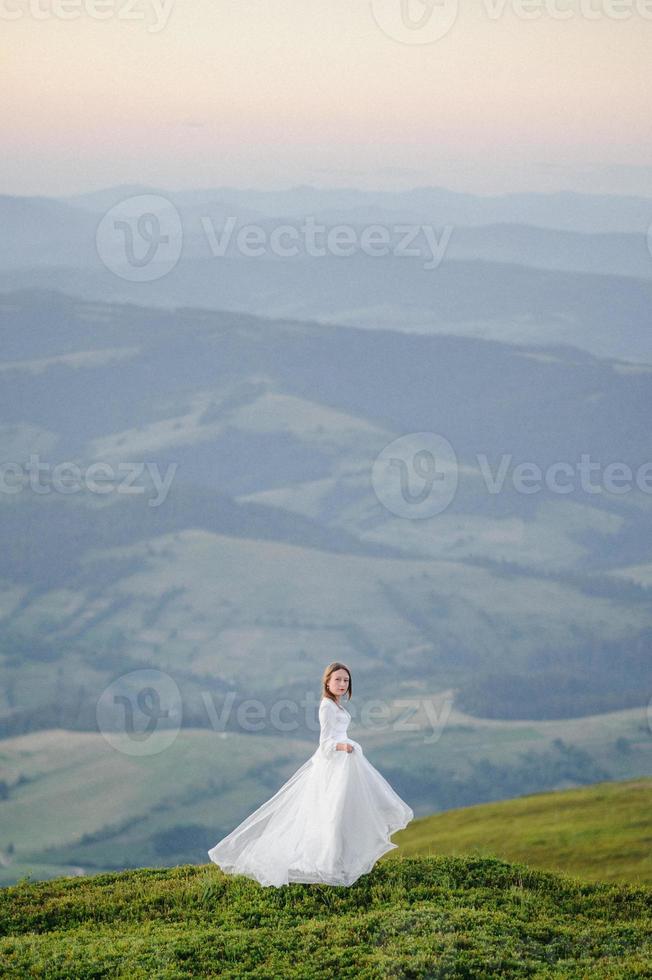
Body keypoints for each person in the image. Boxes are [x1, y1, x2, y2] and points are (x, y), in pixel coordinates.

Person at [207, 661, 414, 887]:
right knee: (332, 812)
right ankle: (328, 863)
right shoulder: (326, 706)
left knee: (344, 810)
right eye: (338, 680)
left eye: (346, 680)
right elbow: (324, 743)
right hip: (334, 765)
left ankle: (338, 859)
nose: (342, 684)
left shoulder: (336, 705)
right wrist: (342, 747)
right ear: (327, 681)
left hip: (345, 764)